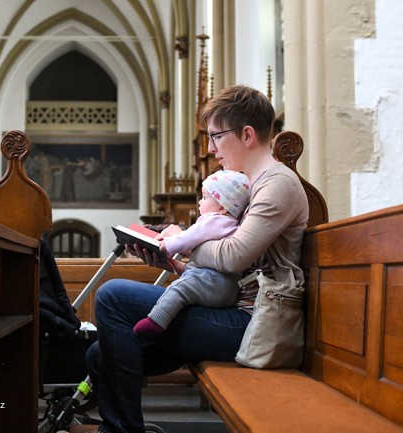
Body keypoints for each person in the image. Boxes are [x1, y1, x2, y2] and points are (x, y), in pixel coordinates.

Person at [79, 85, 309, 433]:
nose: (212, 148)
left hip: (251, 325)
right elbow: (231, 273)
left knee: (113, 297)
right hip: (230, 310)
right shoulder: (250, 184)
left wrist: (179, 242)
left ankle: (121, 430)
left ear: (247, 135)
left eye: (216, 136)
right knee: (99, 354)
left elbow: (233, 258)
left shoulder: (277, 185)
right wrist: (173, 263)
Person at [133, 170, 251, 336]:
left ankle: (156, 322)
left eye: (205, 197)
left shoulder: (213, 220)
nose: (199, 203)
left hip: (215, 282)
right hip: (226, 288)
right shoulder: (231, 224)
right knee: (185, 286)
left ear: (222, 207)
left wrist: (167, 245)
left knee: (178, 289)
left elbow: (188, 238)